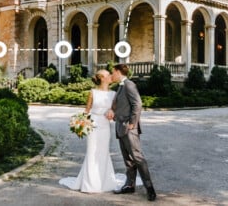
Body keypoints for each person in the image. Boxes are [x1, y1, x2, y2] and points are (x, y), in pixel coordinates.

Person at [59, 69, 126, 193]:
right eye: (108, 74)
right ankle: (90, 183)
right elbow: (87, 110)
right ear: (101, 78)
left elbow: (115, 110)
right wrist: (79, 124)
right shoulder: (93, 92)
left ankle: (104, 181)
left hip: (105, 125)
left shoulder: (113, 94)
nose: (111, 76)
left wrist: (112, 113)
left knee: (104, 151)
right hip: (93, 124)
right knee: (92, 151)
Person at [106, 63, 156, 201]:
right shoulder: (120, 86)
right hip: (120, 127)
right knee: (128, 160)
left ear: (118, 72)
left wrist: (133, 123)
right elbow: (122, 106)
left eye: (113, 72)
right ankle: (130, 185)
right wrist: (113, 112)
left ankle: (150, 188)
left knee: (137, 158)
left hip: (129, 128)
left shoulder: (129, 84)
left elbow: (137, 104)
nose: (112, 74)